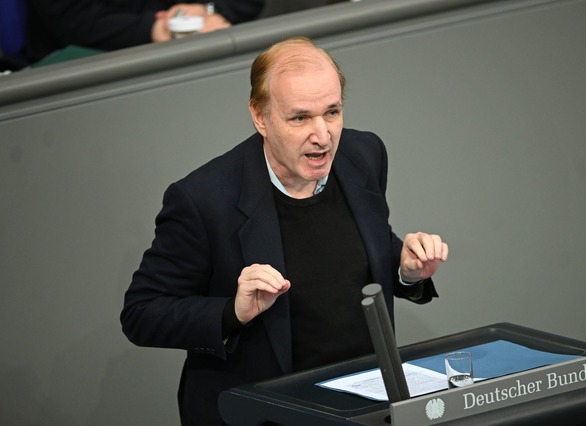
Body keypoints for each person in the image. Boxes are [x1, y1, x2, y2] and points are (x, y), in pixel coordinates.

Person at [120, 36, 449, 425]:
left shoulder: (365, 155)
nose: (323, 136)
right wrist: (232, 312)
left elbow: (356, 249)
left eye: (332, 112)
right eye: (300, 118)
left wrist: (403, 269)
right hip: (263, 413)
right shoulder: (203, 199)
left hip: (362, 408)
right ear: (260, 116)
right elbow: (141, 313)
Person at [24, 0, 264, 63]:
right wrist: (152, 28)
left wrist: (208, 9)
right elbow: (72, 19)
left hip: (203, 53)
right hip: (85, 66)